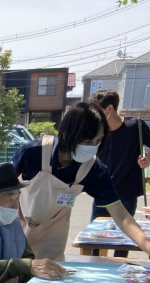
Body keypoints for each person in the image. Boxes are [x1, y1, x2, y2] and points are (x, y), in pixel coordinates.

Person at [11, 102, 150, 260]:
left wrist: (147, 246)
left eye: (98, 141)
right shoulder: (32, 152)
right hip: (16, 226)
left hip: (51, 235)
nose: (93, 147)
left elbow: (121, 216)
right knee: (13, 270)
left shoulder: (94, 170)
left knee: (48, 271)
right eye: (87, 141)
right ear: (67, 134)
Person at [89, 89, 150, 257]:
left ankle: (120, 273)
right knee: (95, 242)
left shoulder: (135, 126)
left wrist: (147, 160)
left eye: (97, 111)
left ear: (109, 109)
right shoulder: (97, 131)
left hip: (127, 193)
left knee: (123, 242)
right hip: (101, 192)